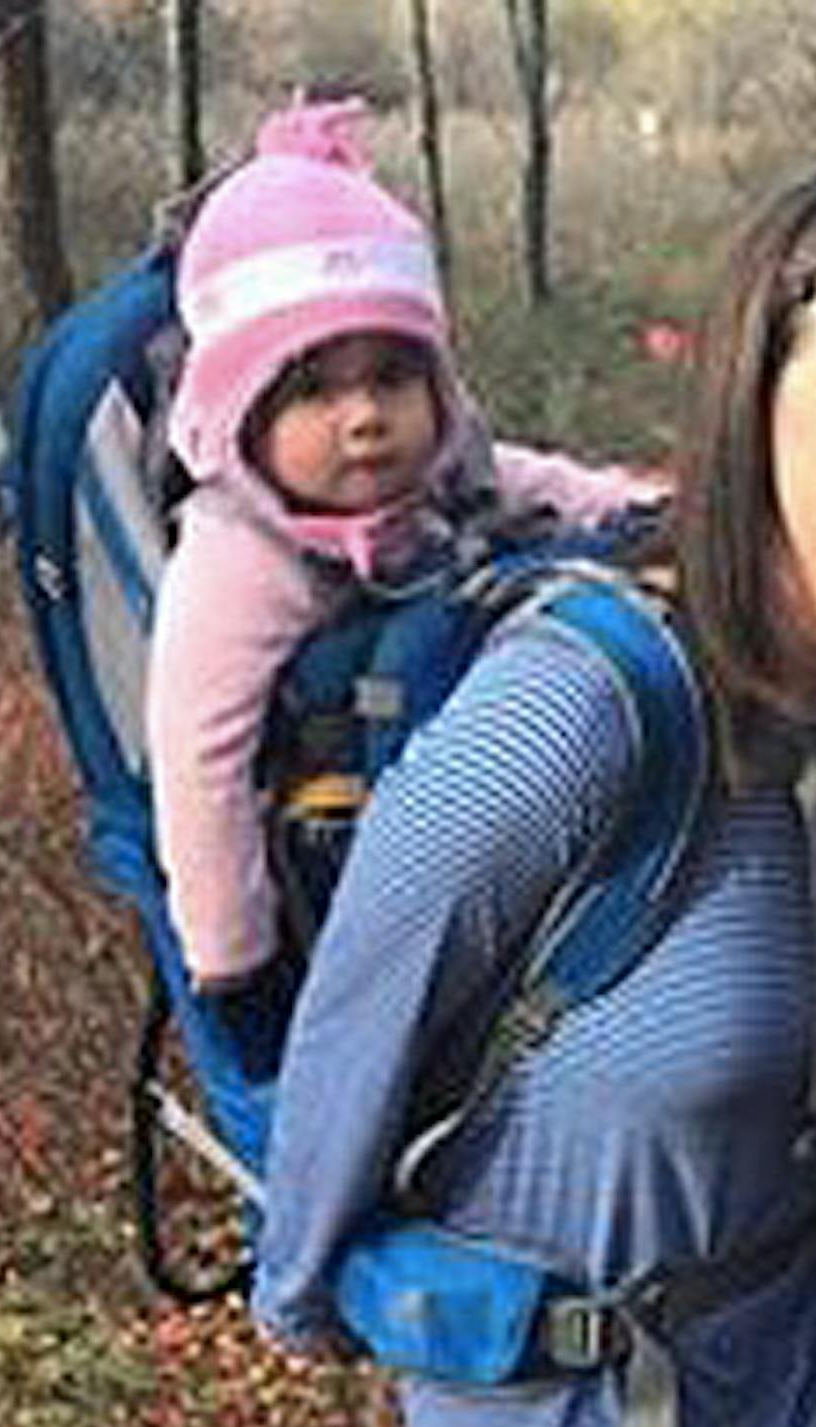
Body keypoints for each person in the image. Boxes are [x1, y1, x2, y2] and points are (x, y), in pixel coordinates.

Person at [252, 161, 816, 1427]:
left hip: (789, 1361)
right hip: (567, 1399)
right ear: (756, 399)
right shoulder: (582, 703)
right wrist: (312, 1293)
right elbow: (362, 994)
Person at [147, 99, 659, 993]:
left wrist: (658, 514)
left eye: (391, 377)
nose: (365, 420)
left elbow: (561, 490)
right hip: (338, 894)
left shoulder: (454, 474)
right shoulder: (236, 558)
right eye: (314, 392)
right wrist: (233, 955)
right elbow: (198, 757)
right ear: (245, 411)